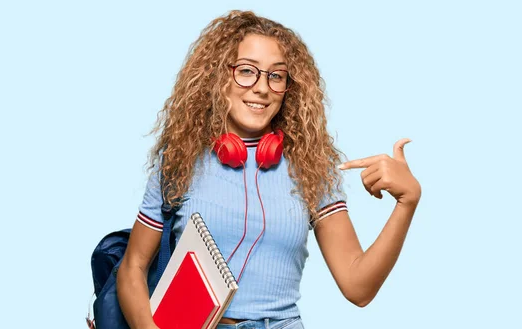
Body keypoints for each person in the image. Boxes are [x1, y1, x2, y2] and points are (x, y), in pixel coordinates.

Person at [116, 10, 421, 329]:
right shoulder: (180, 157)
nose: (261, 87)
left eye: (276, 76)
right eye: (246, 71)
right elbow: (132, 268)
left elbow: (358, 288)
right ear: (219, 76)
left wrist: (406, 203)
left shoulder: (311, 165)